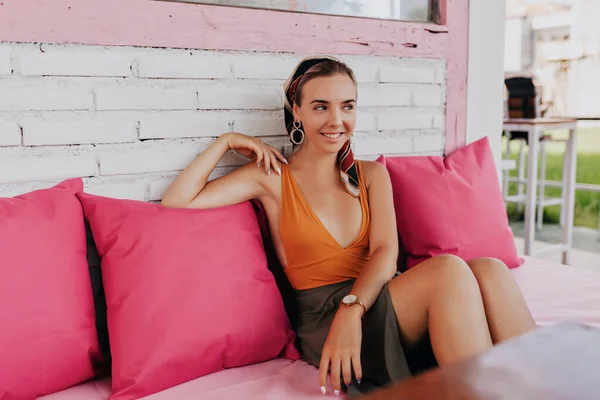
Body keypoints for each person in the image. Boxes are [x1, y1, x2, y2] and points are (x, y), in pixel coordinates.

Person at [160, 55, 536, 397]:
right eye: (321, 106)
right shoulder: (272, 176)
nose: (336, 120)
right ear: (298, 111)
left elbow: (386, 253)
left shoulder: (371, 174)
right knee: (449, 271)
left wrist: (352, 310)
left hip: (369, 303)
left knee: (490, 269)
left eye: (348, 106)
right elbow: (177, 201)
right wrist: (226, 141)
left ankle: (544, 386)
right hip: (326, 318)